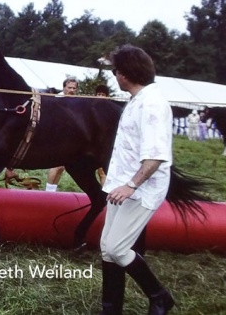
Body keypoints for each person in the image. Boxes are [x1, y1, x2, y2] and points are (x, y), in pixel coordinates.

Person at [99, 45, 174, 314]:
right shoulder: (137, 101)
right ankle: (111, 308)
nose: (115, 77)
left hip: (140, 189)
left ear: (125, 74)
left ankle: (159, 295)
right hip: (121, 186)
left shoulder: (152, 105)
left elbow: (155, 157)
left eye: (116, 71)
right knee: (107, 249)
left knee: (118, 248)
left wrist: (130, 185)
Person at [45, 76, 78, 192]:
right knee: (56, 165)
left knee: (61, 167)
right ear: (64, 87)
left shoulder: (75, 102)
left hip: (67, 137)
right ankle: (48, 193)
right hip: (56, 136)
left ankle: (52, 191)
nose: (72, 90)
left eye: (74, 88)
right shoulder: (57, 100)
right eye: (69, 87)